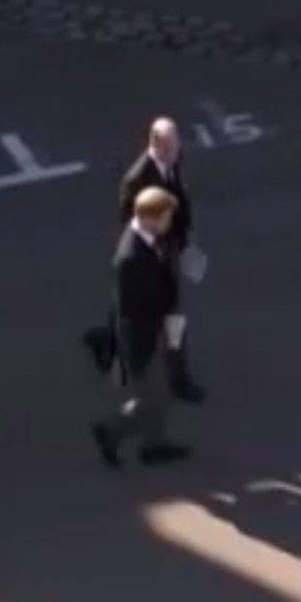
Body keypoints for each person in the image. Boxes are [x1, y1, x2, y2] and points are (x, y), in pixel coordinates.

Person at [83, 117, 206, 403]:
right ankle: (168, 376)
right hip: (152, 255)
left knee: (169, 315)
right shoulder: (137, 179)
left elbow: (178, 198)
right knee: (145, 314)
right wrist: (156, 245)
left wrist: (185, 236)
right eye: (173, 146)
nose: (178, 151)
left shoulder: (170, 162)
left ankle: (175, 373)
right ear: (158, 145)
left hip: (168, 249)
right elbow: (131, 221)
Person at [89, 186, 192, 469]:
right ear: (151, 218)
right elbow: (137, 307)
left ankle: (154, 444)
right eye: (167, 218)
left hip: (148, 331)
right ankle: (113, 432)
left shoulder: (145, 239)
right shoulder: (132, 257)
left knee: (159, 393)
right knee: (153, 398)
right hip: (141, 339)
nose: (169, 223)